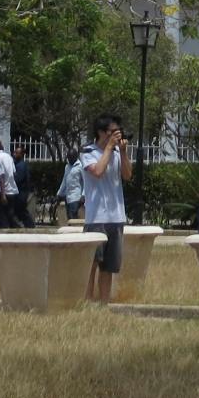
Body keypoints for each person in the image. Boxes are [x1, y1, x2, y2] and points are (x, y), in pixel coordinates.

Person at [80, 113, 132, 303]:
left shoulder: (118, 153)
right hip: (96, 218)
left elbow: (127, 175)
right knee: (91, 263)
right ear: (101, 132)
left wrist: (123, 152)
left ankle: (103, 303)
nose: (117, 135)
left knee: (109, 266)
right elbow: (98, 172)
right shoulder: (88, 152)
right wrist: (109, 148)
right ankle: (87, 300)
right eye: (112, 132)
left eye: (118, 132)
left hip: (116, 217)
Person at [60, 145, 88, 223]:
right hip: (68, 197)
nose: (70, 159)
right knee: (69, 219)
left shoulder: (80, 166)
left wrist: (83, 195)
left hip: (76, 197)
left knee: (73, 218)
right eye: (69, 158)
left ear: (75, 157)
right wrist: (59, 193)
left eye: (71, 158)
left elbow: (86, 182)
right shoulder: (67, 167)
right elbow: (64, 181)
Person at [10, 147, 36, 228]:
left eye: (16, 153)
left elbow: (18, 179)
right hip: (20, 192)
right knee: (18, 211)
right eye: (14, 152)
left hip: (21, 193)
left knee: (21, 211)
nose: (14, 154)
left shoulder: (21, 165)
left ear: (21, 154)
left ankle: (30, 225)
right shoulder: (18, 164)